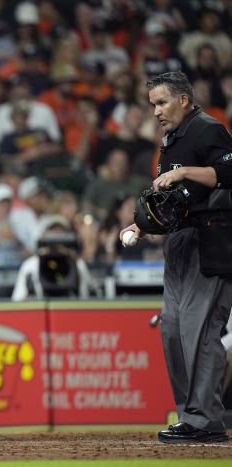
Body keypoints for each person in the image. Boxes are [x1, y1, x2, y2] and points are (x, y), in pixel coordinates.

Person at [120, 71, 232, 443]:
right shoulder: (170, 141)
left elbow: (230, 171)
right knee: (171, 331)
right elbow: (170, 206)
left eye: (162, 102)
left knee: (198, 333)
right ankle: (189, 415)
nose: (156, 111)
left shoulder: (208, 129)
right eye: (152, 104)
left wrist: (184, 171)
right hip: (180, 244)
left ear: (183, 100)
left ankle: (205, 420)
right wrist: (141, 227)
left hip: (211, 243)